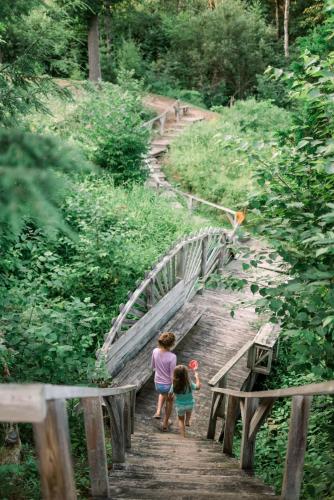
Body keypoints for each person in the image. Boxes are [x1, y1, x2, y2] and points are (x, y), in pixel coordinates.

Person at [151, 331, 176, 431]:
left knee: (162, 394)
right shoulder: (172, 357)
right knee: (169, 401)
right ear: (172, 344)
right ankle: (165, 423)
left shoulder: (155, 351)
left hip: (157, 383)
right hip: (167, 386)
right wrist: (173, 389)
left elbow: (153, 366)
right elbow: (172, 376)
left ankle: (158, 412)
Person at [170, 364, 201, 438]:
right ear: (186, 375)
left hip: (180, 406)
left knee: (180, 420)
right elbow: (198, 387)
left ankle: (183, 436)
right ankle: (187, 421)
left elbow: (170, 394)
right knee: (189, 412)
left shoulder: (174, 385)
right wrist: (197, 377)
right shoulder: (189, 383)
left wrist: (173, 395)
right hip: (189, 404)